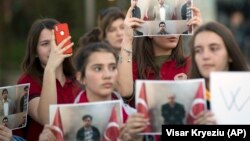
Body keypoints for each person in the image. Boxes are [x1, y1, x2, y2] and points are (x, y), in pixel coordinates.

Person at [117, 5, 202, 107]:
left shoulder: (190, 64)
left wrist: (201, 33)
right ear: (149, 31)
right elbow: (125, 92)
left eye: (177, 24)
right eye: (165, 24)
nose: (173, 32)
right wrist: (127, 38)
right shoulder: (131, 67)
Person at [15, 18, 82, 140]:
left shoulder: (77, 80)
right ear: (34, 52)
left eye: (57, 41)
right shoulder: (26, 81)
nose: (53, 48)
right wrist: (50, 68)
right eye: (45, 44)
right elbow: (47, 118)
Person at [188, 22, 249, 124]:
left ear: (230, 55)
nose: (205, 56)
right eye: (198, 51)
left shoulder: (247, 93)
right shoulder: (185, 101)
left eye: (214, 48)